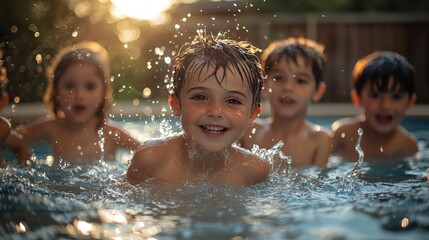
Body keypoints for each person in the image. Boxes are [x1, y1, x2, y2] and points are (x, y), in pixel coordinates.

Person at [127, 32, 269, 186]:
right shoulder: (152, 159)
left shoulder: (254, 171)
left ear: (252, 114)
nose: (215, 111)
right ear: (175, 104)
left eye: (233, 101)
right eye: (200, 97)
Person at [15, 41, 141, 164]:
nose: (79, 95)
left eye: (90, 86)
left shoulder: (112, 134)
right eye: (69, 86)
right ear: (55, 90)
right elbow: (11, 138)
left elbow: (148, 154)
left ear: (104, 92)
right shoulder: (51, 129)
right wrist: (22, 153)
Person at [238, 37, 331, 168]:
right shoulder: (247, 131)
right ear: (263, 84)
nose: (288, 87)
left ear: (318, 91)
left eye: (301, 81)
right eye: (278, 78)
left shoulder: (320, 140)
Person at [331, 51, 418, 161]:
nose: (385, 105)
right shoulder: (344, 134)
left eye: (396, 97)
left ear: (410, 102)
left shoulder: (407, 145)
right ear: (358, 98)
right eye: (375, 95)